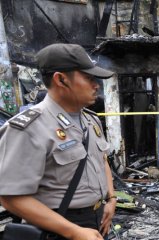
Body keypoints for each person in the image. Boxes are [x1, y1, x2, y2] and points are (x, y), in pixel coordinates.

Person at [0, 43, 116, 240]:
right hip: (57, 226)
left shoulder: (90, 119)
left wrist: (111, 199)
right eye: (88, 78)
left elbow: (101, 158)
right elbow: (10, 197)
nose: (96, 85)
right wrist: (74, 232)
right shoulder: (29, 128)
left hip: (96, 218)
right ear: (61, 79)